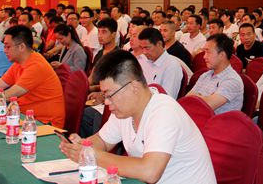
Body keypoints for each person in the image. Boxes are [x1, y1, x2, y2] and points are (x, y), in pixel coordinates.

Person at [60, 50, 215, 184]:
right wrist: (82, 147)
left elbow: (150, 172)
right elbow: (103, 141)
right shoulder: (125, 111)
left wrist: (94, 156)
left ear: (133, 87)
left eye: (109, 95)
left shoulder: (164, 112)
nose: (106, 102)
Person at [0, 25, 65, 128]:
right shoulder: (18, 63)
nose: (4, 50)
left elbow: (7, 96)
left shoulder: (36, 66)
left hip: (44, 124)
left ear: (22, 47)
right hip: (25, 117)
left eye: (7, 46)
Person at [187, 33, 243, 114]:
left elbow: (206, 106)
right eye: (204, 52)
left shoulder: (232, 80)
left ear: (222, 55)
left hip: (219, 121)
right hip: (198, 117)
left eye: (208, 52)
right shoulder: (206, 75)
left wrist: (197, 96)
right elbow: (187, 99)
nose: (204, 56)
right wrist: (204, 98)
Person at [137, 27, 183, 99]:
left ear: (159, 44)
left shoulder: (172, 66)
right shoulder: (142, 60)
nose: (144, 52)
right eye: (141, 48)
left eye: (147, 48)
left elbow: (167, 99)